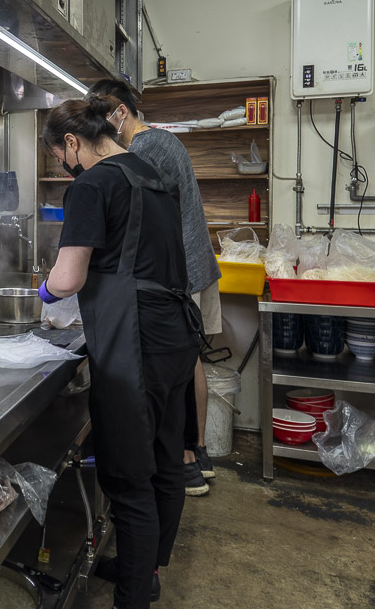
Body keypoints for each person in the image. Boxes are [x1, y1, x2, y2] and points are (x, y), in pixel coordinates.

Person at [38, 96, 203, 609]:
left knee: (129, 478)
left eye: (60, 158)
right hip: (176, 336)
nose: (64, 169)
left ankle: (133, 598)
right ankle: (146, 570)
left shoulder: (91, 185)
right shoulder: (150, 175)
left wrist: (40, 295)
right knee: (165, 464)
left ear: (72, 143)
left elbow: (68, 278)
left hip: (135, 344)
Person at [90, 77, 223, 496]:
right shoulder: (161, 143)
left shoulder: (146, 150)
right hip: (190, 266)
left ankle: (186, 458)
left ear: (120, 113)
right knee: (191, 360)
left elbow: (143, 219)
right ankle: (195, 453)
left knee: (184, 364)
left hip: (180, 273)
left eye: (103, 117)